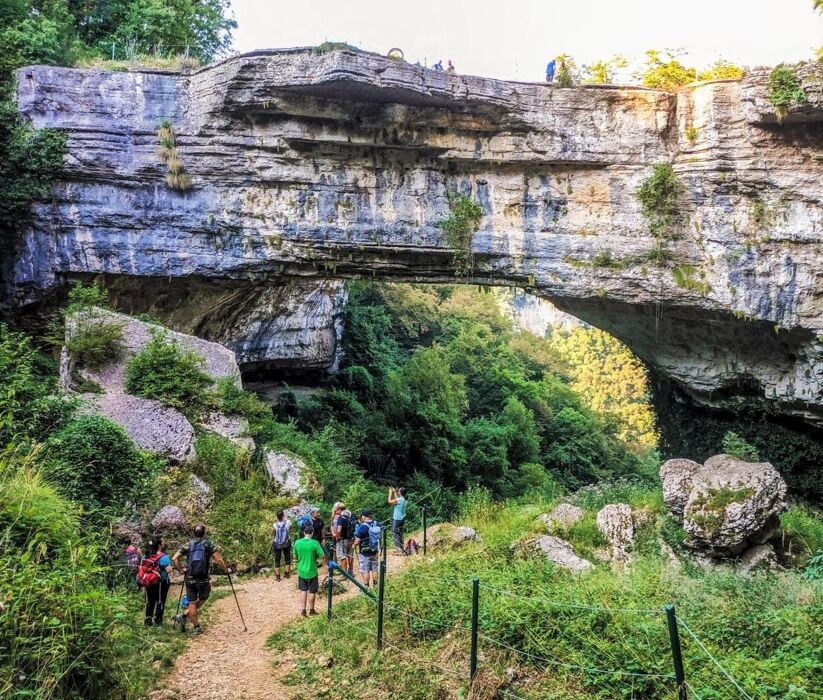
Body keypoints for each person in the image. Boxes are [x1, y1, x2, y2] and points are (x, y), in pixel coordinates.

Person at [172, 524, 228, 635]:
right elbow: (219, 560)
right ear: (204, 533)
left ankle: (195, 626)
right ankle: (183, 615)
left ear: (194, 533)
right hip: (203, 579)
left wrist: (181, 570)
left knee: (192, 602)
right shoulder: (208, 544)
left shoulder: (188, 544)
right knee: (203, 597)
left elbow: (174, 558)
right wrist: (226, 569)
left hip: (190, 578)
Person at [293, 525, 325, 617]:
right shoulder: (315, 543)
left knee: (303, 590)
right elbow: (322, 555)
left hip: (301, 571)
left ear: (304, 533)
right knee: (312, 591)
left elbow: (295, 556)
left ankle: (303, 610)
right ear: (312, 533)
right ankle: (311, 610)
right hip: (312, 571)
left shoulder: (297, 543)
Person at [141, 536, 173, 626]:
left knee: (150, 600)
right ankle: (158, 621)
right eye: (162, 542)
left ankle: (148, 620)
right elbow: (169, 570)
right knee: (160, 600)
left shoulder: (146, 555)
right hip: (161, 582)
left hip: (149, 581)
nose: (164, 543)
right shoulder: (163, 557)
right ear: (159, 545)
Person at [353, 510, 381, 588]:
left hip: (365, 552)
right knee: (375, 569)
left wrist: (354, 545)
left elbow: (357, 540)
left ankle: (366, 587)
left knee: (366, 570)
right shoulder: (376, 523)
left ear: (364, 516)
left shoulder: (363, 526)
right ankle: (376, 586)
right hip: (375, 550)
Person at [334, 507, 355, 574]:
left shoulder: (341, 518)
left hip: (342, 540)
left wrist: (337, 537)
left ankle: (344, 574)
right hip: (351, 539)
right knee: (350, 555)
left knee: (342, 556)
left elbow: (339, 529)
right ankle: (351, 571)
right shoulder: (350, 519)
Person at [272, 511, 292, 582]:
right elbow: (290, 529)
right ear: (283, 516)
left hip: (277, 543)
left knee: (277, 559)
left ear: (277, 517)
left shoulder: (274, 524)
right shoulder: (288, 522)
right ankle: (287, 574)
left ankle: (278, 577)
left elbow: (274, 533)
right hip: (286, 543)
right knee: (287, 558)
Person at [388, 486, 408, 553]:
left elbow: (389, 501)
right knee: (400, 532)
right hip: (402, 518)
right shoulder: (404, 499)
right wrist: (395, 492)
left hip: (397, 518)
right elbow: (397, 499)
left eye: (398, 490)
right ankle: (401, 547)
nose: (398, 491)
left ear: (400, 492)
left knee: (395, 532)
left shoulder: (399, 500)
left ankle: (398, 549)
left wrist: (390, 493)